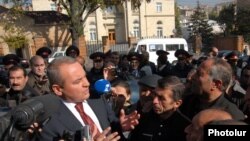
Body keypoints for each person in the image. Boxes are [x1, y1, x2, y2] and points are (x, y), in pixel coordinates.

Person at [37, 56, 140, 141]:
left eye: (85, 77)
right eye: (77, 81)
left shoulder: (97, 99)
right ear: (58, 89)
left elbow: (112, 124)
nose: (87, 83)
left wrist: (121, 125)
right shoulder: (49, 123)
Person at [180, 58, 245, 120]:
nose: (192, 77)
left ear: (216, 84)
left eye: (198, 74)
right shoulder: (187, 102)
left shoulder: (233, 116)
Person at [129, 76, 191, 141]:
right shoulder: (142, 119)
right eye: (155, 95)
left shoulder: (186, 128)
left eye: (161, 98)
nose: (154, 101)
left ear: (177, 103)